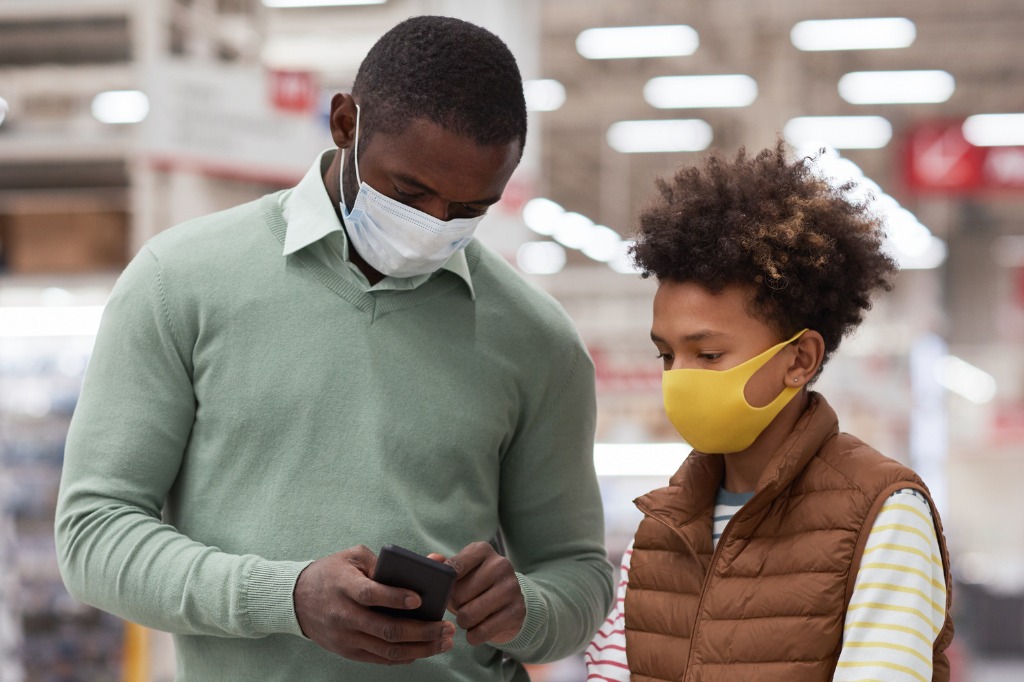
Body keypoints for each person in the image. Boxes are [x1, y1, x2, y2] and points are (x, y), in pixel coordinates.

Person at [55, 15, 613, 681]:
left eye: (469, 210)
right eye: (408, 192)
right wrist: (287, 596)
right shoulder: (180, 282)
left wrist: (530, 608)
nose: (433, 227)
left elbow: (579, 574)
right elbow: (94, 536)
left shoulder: (536, 342)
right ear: (345, 122)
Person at [585, 143, 954, 682]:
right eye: (666, 355)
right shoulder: (659, 528)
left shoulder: (884, 514)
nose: (679, 376)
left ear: (799, 360)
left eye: (708, 355)